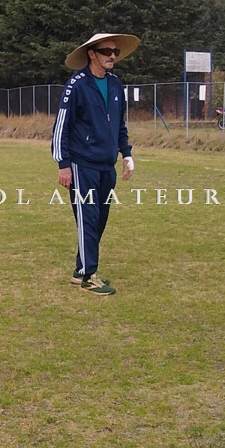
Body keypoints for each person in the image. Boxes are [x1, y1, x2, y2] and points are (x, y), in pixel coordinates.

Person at [51, 33, 138, 296]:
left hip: (106, 166)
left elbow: (120, 124)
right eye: (106, 51)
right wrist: (63, 164)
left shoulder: (115, 84)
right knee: (87, 218)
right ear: (91, 54)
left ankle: (81, 269)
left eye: (115, 51)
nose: (112, 56)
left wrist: (126, 154)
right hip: (82, 165)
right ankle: (89, 276)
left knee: (99, 219)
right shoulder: (76, 85)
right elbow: (61, 126)